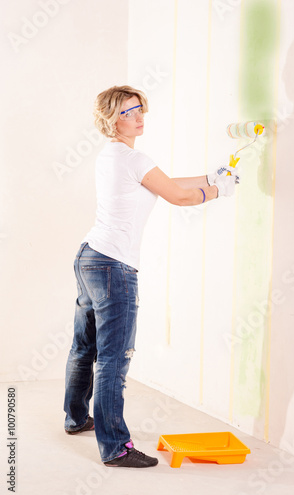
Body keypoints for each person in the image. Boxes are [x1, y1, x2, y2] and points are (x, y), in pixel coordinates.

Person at [63, 85, 239, 468]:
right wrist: (218, 191)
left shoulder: (114, 156)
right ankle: (115, 448)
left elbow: (166, 183)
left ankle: (76, 418)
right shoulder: (134, 158)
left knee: (85, 348)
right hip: (113, 267)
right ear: (112, 119)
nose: (139, 117)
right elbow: (178, 196)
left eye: (140, 108)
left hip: (89, 257)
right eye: (129, 112)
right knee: (114, 358)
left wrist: (209, 176)